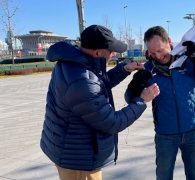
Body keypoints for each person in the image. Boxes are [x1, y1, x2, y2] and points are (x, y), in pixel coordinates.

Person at [40, 24, 160, 180]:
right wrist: (142, 101)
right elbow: (112, 122)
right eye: (110, 51)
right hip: (79, 161)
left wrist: (123, 69)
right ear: (97, 53)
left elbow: (97, 84)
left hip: (71, 149)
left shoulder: (75, 63)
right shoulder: (81, 81)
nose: (112, 54)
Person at [125, 26, 195, 180]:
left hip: (192, 130)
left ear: (169, 42)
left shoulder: (189, 61)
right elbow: (129, 98)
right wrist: (136, 85)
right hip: (165, 134)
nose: (157, 56)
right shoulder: (148, 70)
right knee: (163, 176)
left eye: (160, 50)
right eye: (152, 53)